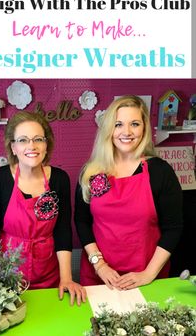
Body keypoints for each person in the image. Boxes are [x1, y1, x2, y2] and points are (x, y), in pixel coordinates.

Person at [0, 110, 86, 305]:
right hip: (8, 276)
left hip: (49, 273)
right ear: (13, 147)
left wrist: (67, 278)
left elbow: (62, 231)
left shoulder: (60, 179)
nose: (31, 146)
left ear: (47, 144)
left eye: (38, 139)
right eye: (23, 140)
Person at [75, 95, 183, 290]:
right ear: (109, 129)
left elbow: (173, 228)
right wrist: (99, 266)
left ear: (144, 128)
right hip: (99, 276)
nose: (127, 132)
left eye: (134, 124)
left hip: (146, 276)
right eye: (118, 125)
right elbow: (82, 221)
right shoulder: (90, 172)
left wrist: (148, 274)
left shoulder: (160, 172)